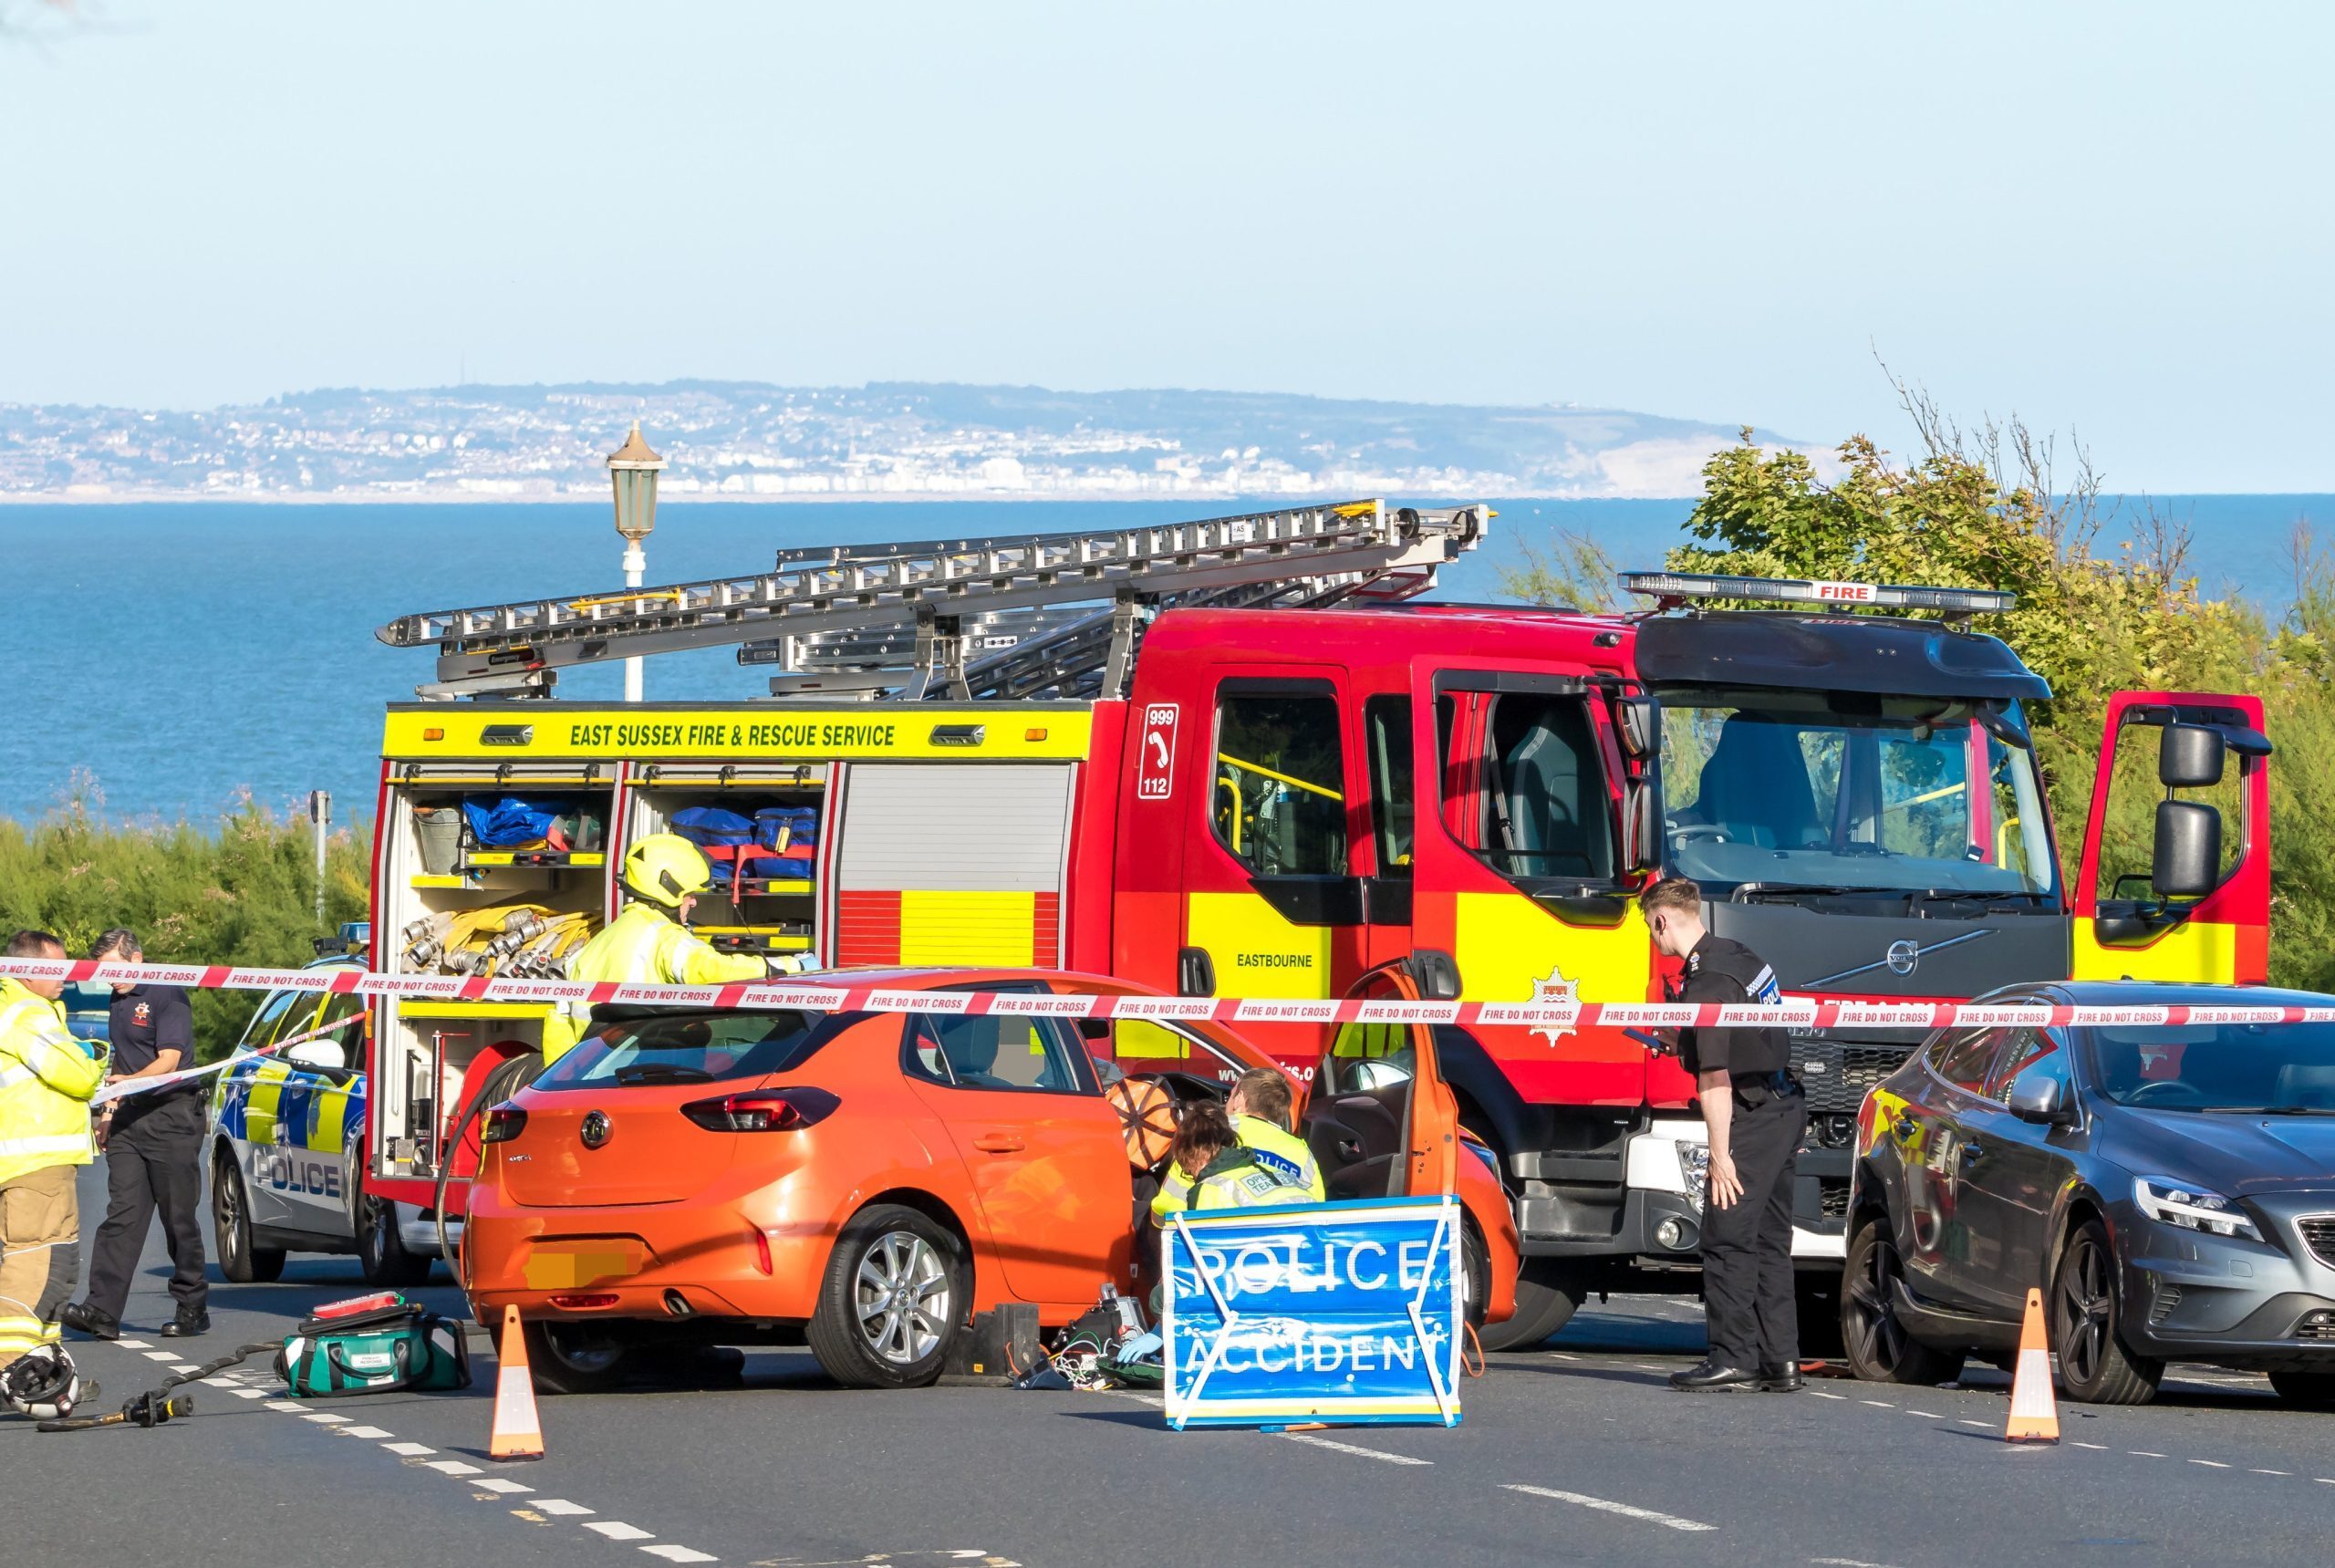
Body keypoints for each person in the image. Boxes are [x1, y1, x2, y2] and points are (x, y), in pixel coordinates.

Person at [1640, 876, 1806, 1393]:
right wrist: (1684, 1038)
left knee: (1726, 1233)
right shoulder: (1738, 954)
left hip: (1752, 1114)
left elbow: (1715, 1079)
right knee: (1770, 1241)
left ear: (1663, 920)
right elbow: (1746, 1035)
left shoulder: (1705, 982)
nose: (1654, 940)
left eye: (1651, 929)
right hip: (1786, 1103)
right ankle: (1781, 1362)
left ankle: (1733, 1359)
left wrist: (1719, 1156)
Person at [542, 834, 818, 1066]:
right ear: (667, 889)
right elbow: (715, 970)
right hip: (643, 1072)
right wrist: (793, 967)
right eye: (689, 895)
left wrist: (562, 1083)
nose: (694, 903)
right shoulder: (663, 936)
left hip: (592, 1078)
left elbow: (558, 1023)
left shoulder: (597, 943)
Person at [63, 929, 209, 1341]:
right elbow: (121, 1058)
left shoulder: (167, 994)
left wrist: (128, 1084)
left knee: (177, 1217)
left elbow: (170, 1059)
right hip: (130, 1118)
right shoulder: (119, 997)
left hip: (172, 1115)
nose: (109, 978)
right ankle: (102, 1310)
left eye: (113, 968)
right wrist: (109, 1111)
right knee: (121, 1215)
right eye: (102, 971)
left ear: (137, 959)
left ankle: (192, 1304)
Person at [0, 929, 104, 1418]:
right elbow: (77, 1073)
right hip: (33, 1165)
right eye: (55, 967)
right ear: (23, 968)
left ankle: (43, 1368)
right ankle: (9, 1368)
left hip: (39, 1164)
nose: (66, 975)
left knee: (58, 1269)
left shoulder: (24, 1011)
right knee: (36, 1267)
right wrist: (97, 1061)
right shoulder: (28, 1014)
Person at [1148, 1066, 1323, 1220]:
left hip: (1215, 1242)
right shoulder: (1302, 1153)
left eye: (1230, 1095)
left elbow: (1169, 1206)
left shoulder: (1213, 1131)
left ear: (1240, 1098)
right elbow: (1317, 1209)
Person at [1167, 1102, 1315, 1212]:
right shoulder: (1270, 1172)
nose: (1193, 1176)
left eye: (1188, 1170)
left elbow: (1206, 1248)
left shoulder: (1210, 1190)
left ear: (1196, 1155)